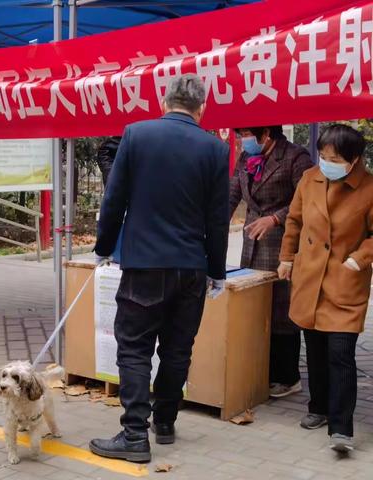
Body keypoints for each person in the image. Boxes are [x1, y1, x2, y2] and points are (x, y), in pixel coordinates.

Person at [90, 74, 230, 463]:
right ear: (201, 109)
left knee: (134, 347)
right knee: (177, 349)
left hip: (145, 264)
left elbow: (114, 198)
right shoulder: (215, 149)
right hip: (191, 266)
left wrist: (103, 248)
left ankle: (135, 433)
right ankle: (164, 422)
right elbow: (218, 219)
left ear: (163, 102)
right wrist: (216, 271)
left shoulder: (136, 135)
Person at [278, 124, 373, 453]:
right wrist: (287, 259)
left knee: (341, 354)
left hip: (344, 281)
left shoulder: (369, 187)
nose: (326, 162)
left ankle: (342, 427)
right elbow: (294, 220)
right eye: (324, 155)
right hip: (310, 278)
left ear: (354, 158)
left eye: (334, 158)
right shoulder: (310, 179)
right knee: (315, 349)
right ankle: (317, 408)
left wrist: (359, 259)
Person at [230, 125, 313, 398]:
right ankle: (262, 370)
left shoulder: (295, 157)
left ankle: (288, 376)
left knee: (281, 310)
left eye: (245, 134)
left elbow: (307, 199)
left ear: (265, 133)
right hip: (253, 242)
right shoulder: (246, 159)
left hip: (283, 242)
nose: (242, 140)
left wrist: (276, 218)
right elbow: (232, 195)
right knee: (256, 306)